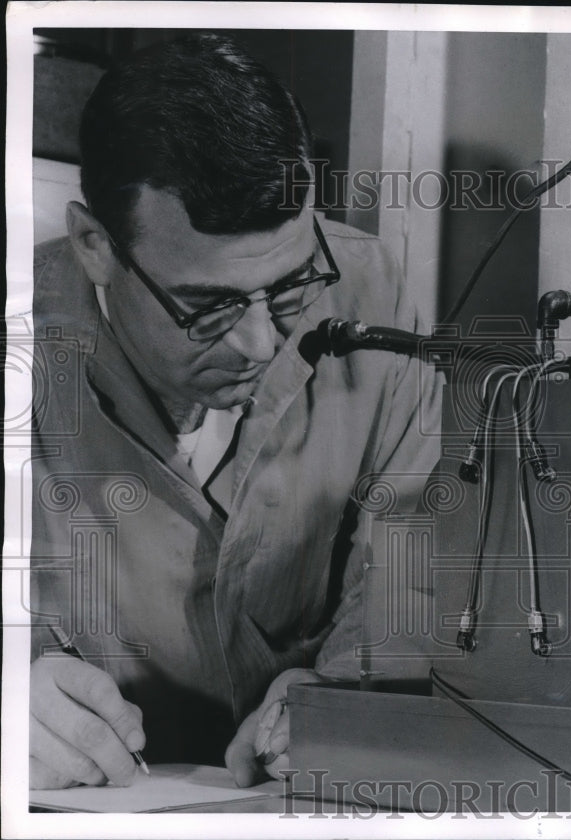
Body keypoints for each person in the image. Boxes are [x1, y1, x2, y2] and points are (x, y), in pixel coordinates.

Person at [29, 33, 442, 790]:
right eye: (207, 308)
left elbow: (408, 552)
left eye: (290, 287)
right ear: (94, 245)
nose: (262, 344)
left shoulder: (372, 294)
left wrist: (342, 689)